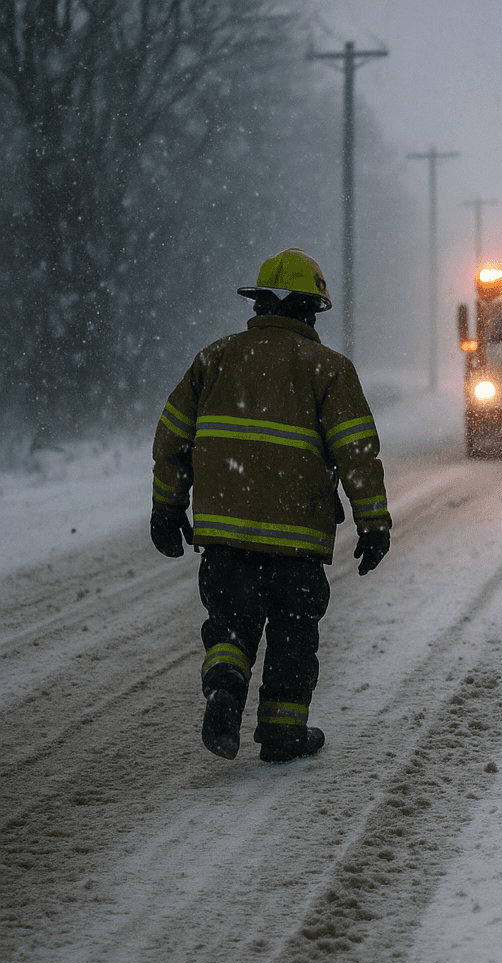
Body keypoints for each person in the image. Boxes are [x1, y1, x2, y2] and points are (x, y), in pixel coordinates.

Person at [149, 248, 392, 763]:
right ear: (311, 310)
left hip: (224, 535)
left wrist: (167, 508)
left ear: (260, 304)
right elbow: (357, 453)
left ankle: (223, 683)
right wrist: (373, 524)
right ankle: (283, 734)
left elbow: (172, 438)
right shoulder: (329, 369)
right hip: (296, 540)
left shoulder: (213, 359)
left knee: (230, 620)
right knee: (293, 634)